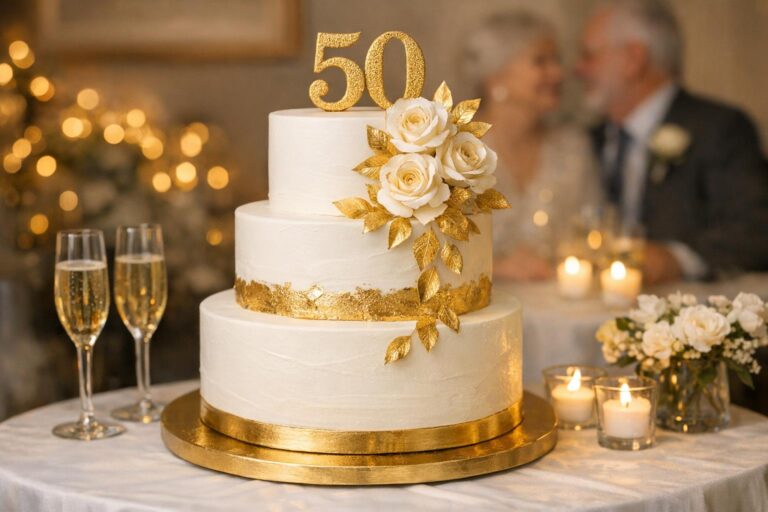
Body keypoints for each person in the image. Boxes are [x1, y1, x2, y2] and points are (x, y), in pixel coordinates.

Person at [577, 0, 768, 283]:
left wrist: (676, 259)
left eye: (589, 55)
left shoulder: (720, 129)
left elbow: (756, 229)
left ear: (633, 59)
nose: (578, 69)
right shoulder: (588, 138)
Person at [463, 11, 601, 281]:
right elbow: (431, 250)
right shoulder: (456, 150)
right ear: (496, 77)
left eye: (557, 60)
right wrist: (498, 267)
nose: (559, 73)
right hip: (481, 309)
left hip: (561, 308)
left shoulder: (572, 146)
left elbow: (595, 232)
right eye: (541, 61)